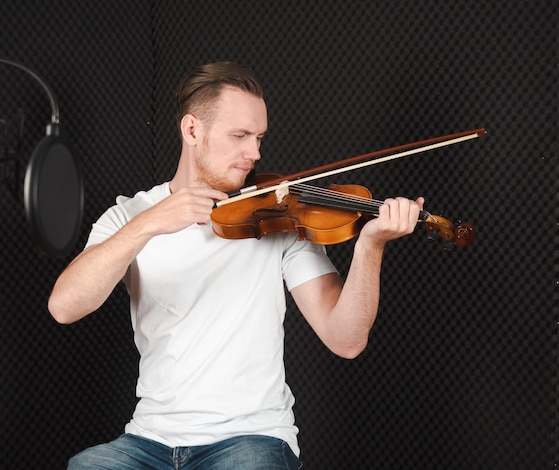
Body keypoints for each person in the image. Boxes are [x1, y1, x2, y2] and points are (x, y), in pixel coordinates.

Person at [48, 61, 424, 469]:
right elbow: (65, 307)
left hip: (251, 440)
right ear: (192, 130)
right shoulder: (127, 217)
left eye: (259, 137)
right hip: (148, 441)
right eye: (240, 136)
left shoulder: (277, 219)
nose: (256, 153)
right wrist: (149, 224)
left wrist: (371, 247)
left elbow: (345, 339)